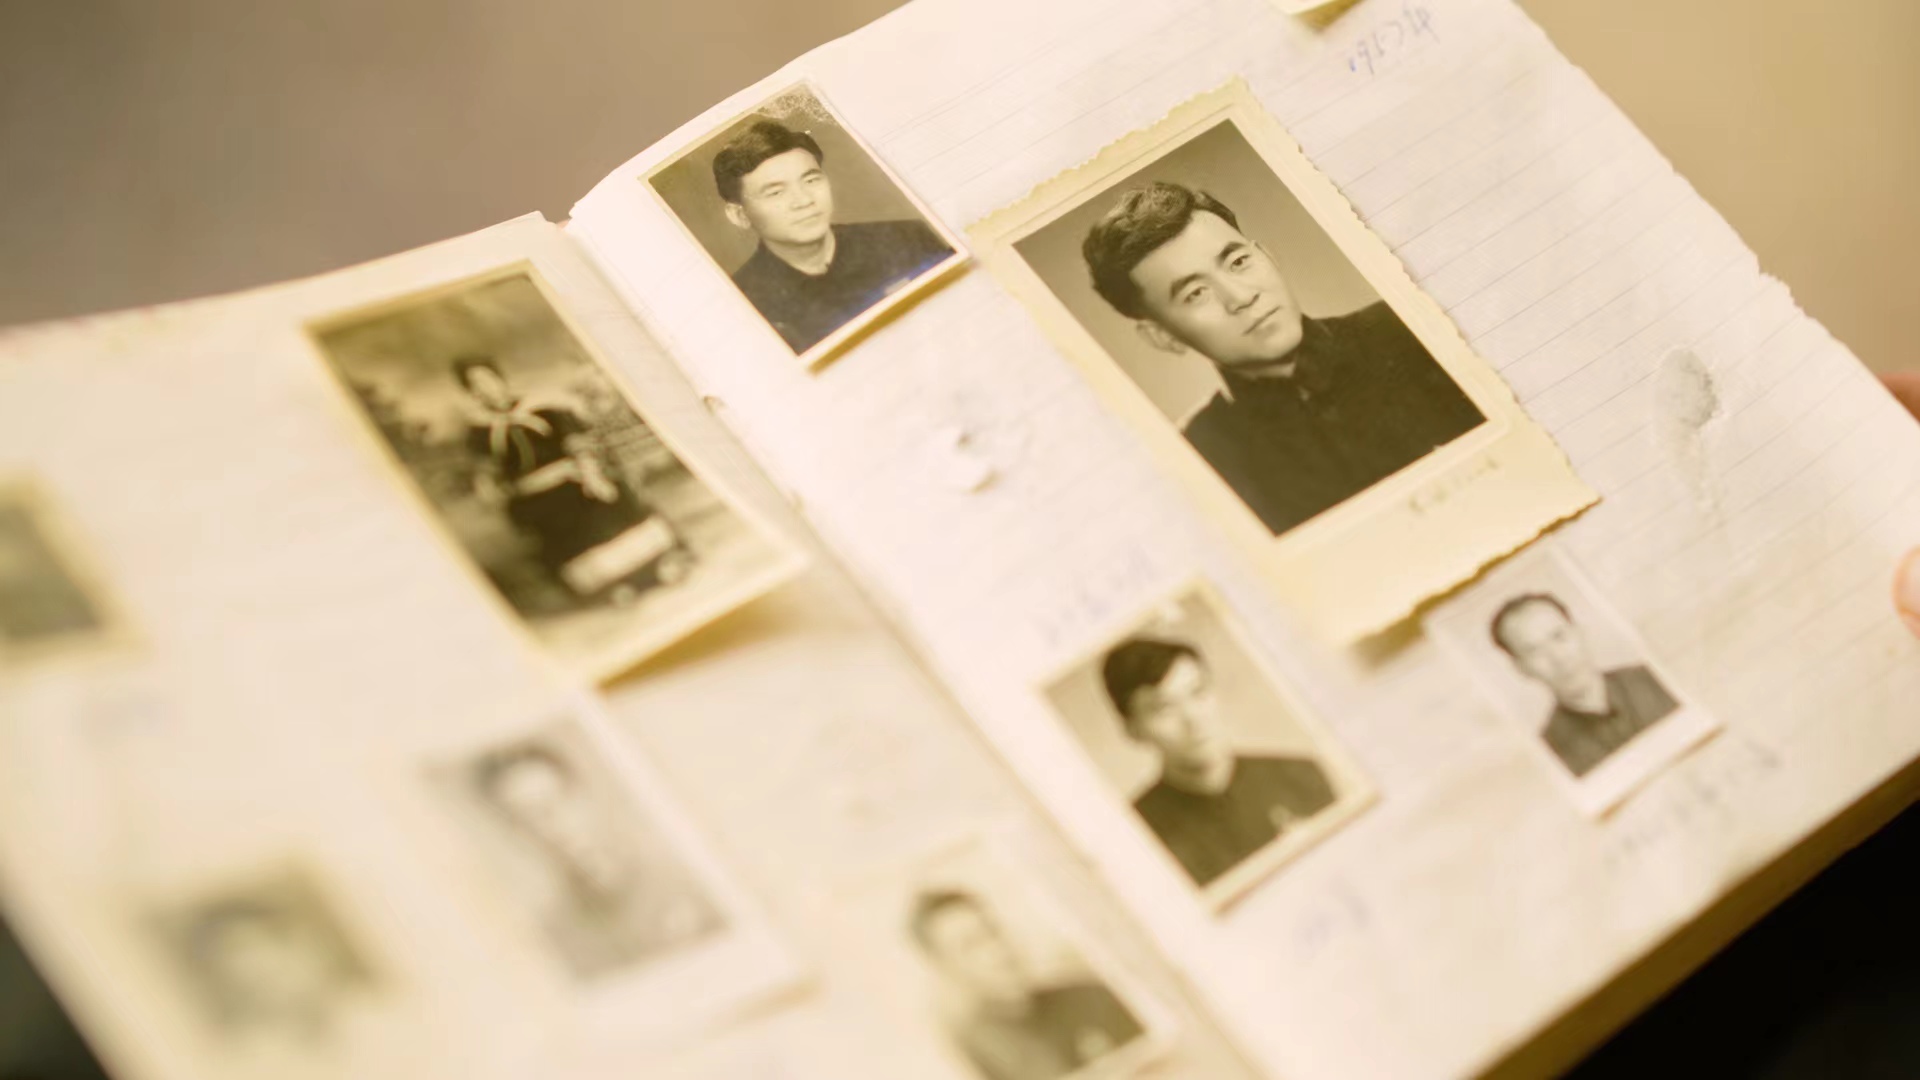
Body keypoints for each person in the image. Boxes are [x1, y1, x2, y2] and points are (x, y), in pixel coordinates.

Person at [1082, 181, 1484, 535]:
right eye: (1196, 293)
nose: (1242, 297)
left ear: (1269, 257)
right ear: (1163, 336)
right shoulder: (1198, 460)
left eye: (1238, 262)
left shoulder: (1414, 327)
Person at [474, 742, 724, 978]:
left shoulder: (688, 872)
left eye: (555, 800)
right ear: (517, 833)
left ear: (585, 796)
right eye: (528, 816)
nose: (551, 822)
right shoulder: (557, 940)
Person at [1101, 636, 1336, 887]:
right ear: (1133, 730)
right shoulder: (1137, 835)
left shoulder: (1300, 775)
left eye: (1197, 693)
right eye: (1164, 708)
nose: (1194, 718)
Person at [453, 356, 689, 602]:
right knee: (556, 519)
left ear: (500, 379)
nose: (485, 388)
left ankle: (660, 565)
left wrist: (592, 476)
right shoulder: (479, 435)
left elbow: (579, 446)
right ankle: (614, 587)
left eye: (488, 379)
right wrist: (497, 489)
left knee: (607, 500)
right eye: (475, 385)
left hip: (575, 478)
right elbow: (490, 477)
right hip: (533, 494)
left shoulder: (543, 411)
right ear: (472, 394)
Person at [712, 119, 954, 353]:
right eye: (775, 193)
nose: (804, 200)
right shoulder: (739, 306)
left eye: (811, 180)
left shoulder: (910, 239)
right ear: (739, 215)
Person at [907, 888, 1143, 1080]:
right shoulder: (977, 1043)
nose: (997, 951)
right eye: (971, 946)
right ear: (946, 966)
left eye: (993, 931)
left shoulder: (1091, 996)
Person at [1489, 593, 1679, 777]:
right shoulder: (1552, 754)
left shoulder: (1656, 678)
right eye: (1535, 651)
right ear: (1521, 668)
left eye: (1559, 636)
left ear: (1580, 633)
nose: (1558, 658)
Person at [181, 892, 361, 1042]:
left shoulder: (363, 1010)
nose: (278, 988)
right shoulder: (260, 1048)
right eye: (257, 984)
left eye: (277, 969)